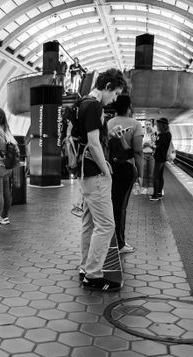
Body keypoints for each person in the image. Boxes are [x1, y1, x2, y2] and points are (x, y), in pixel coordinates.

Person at [76, 68, 126, 291]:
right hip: (95, 173)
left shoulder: (83, 102)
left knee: (89, 222)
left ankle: (85, 267)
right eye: (115, 94)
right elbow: (93, 142)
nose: (114, 99)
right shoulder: (95, 105)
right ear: (107, 87)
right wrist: (106, 169)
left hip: (85, 172)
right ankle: (93, 275)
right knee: (106, 224)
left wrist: (109, 133)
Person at [107, 95, 143, 254]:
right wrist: (140, 175)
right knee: (122, 207)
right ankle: (120, 244)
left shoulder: (108, 123)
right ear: (129, 108)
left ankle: (111, 239)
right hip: (127, 169)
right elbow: (138, 152)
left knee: (113, 204)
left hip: (110, 168)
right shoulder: (135, 124)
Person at [150, 117, 175, 201]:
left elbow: (160, 145)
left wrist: (154, 145)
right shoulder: (167, 134)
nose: (157, 126)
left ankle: (155, 195)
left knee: (155, 176)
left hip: (159, 157)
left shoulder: (163, 135)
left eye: (158, 125)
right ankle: (159, 193)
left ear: (162, 125)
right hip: (162, 157)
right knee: (160, 176)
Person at [141, 122, 155, 195]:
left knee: (151, 172)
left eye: (149, 124)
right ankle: (144, 188)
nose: (148, 126)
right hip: (143, 154)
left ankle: (151, 188)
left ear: (151, 126)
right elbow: (138, 144)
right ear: (145, 125)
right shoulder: (142, 134)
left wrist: (151, 145)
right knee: (144, 172)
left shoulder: (153, 134)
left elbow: (156, 145)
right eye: (147, 124)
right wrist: (143, 145)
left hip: (151, 155)